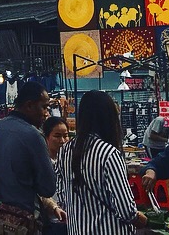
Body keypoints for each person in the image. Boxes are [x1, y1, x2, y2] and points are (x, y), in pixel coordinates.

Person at [56, 92, 146, 235]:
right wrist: (139, 218)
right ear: (109, 118)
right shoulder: (109, 154)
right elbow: (125, 209)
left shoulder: (64, 151)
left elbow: (61, 197)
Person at [0, 81, 56, 235]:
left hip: (0, 217)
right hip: (25, 221)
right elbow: (48, 188)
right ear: (29, 105)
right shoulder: (33, 135)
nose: (46, 113)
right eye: (44, 107)